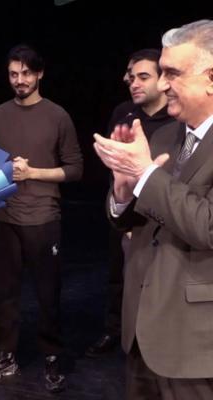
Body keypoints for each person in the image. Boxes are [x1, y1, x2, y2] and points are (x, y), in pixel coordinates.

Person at [94, 19, 213, 399]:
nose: (161, 85)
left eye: (172, 73)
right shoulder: (162, 136)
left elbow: (207, 226)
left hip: (195, 343)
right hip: (141, 333)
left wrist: (145, 174)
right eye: (161, 73)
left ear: (211, 79)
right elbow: (141, 220)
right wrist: (123, 192)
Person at [0, 44, 83, 393]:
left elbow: (75, 169)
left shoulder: (57, 116)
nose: (19, 80)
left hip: (43, 216)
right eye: (13, 74)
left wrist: (33, 173)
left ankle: (52, 357)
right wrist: (5, 170)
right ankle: (4, 355)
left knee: (47, 292)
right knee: (2, 293)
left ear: (39, 74)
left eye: (25, 73)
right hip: (2, 216)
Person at [86, 48, 174, 357]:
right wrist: (120, 204)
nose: (134, 83)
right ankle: (117, 330)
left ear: (163, 80)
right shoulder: (124, 113)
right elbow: (114, 167)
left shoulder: (176, 120)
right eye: (132, 77)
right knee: (118, 275)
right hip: (125, 213)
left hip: (163, 220)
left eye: (143, 77)